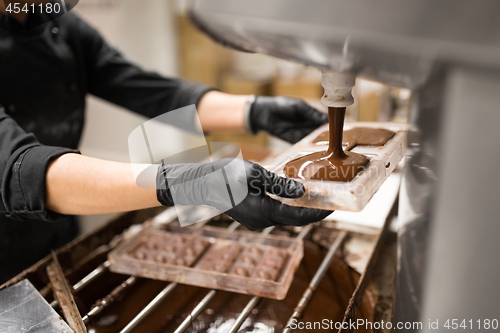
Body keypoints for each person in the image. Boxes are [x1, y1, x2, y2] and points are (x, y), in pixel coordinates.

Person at [0, 1, 331, 284]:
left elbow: (149, 90)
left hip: (59, 236)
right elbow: (19, 170)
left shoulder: (55, 21)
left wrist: (254, 111)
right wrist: (191, 183)